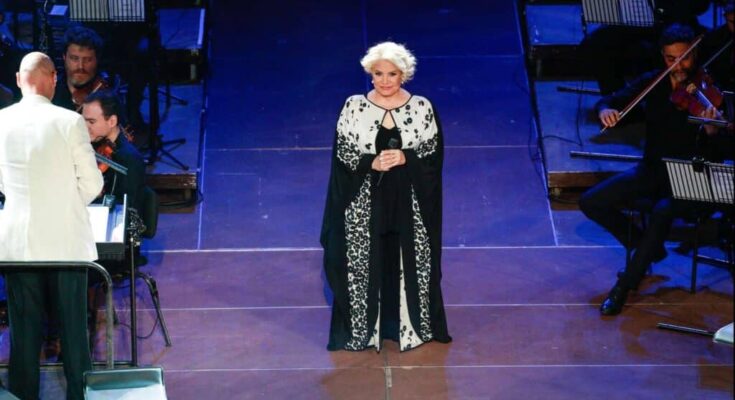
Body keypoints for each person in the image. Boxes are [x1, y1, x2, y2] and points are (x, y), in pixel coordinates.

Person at [579, 25, 728, 316]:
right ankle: (647, 248)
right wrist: (605, 112)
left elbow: (723, 147)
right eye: (671, 58)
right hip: (653, 169)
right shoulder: (654, 82)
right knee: (591, 201)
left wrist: (712, 128)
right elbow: (609, 100)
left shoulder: (708, 88)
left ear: (694, 54)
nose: (678, 65)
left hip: (692, 178)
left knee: (661, 211)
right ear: (662, 55)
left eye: (684, 58)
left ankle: (624, 286)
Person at [321, 42, 451, 352]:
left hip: (409, 202)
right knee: (362, 262)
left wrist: (406, 157)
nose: (385, 81)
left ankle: (411, 327)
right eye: (378, 74)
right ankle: (364, 331)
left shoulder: (422, 107)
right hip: (365, 202)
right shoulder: (354, 106)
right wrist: (371, 162)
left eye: (392, 74)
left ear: (404, 74)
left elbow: (432, 155)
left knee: (408, 259)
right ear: (370, 74)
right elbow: (344, 153)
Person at [0, 52, 103, 400]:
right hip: (65, 246)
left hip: (19, 247)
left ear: (18, 80)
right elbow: (92, 184)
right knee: (74, 333)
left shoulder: (0, 121)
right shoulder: (69, 122)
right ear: (54, 79)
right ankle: (79, 395)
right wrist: (63, 203)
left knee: (24, 337)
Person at [579, 0, 710, 94]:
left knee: (653, 49)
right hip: (635, 19)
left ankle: (663, 97)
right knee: (595, 43)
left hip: (673, 21)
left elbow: (701, 5)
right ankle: (616, 98)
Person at [82, 90, 146, 212]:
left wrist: (95, 196)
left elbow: (124, 207)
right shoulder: (93, 147)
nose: (85, 127)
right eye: (83, 121)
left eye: (91, 122)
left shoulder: (129, 159)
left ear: (112, 121)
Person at [53, 25, 109, 112]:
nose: (80, 66)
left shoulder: (107, 96)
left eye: (88, 60)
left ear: (97, 60)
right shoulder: (51, 92)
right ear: (64, 57)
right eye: (74, 58)